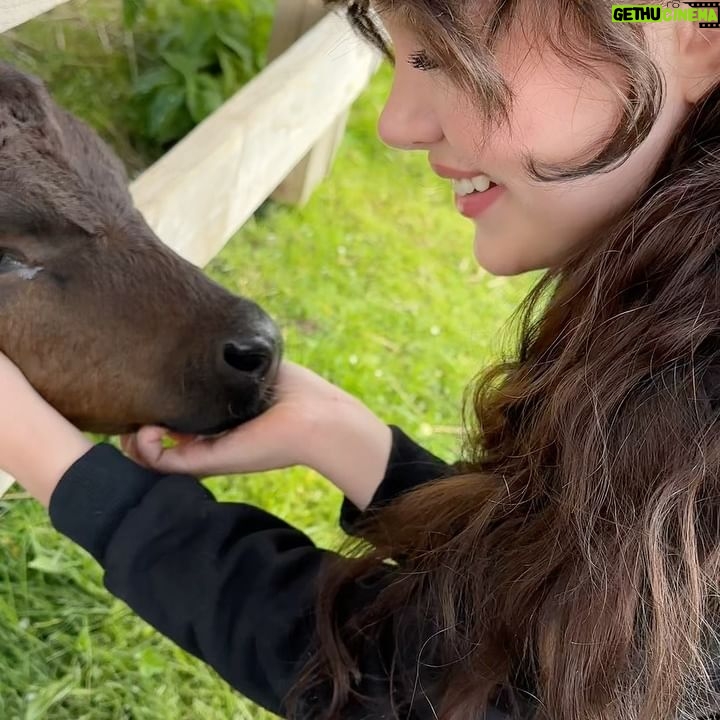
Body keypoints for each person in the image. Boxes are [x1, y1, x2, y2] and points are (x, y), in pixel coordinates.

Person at [1, 0, 720, 718]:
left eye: (442, 55)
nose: (397, 124)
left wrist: (59, 465)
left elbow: (446, 694)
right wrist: (351, 443)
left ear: (696, 27)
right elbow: (538, 604)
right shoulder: (668, 311)